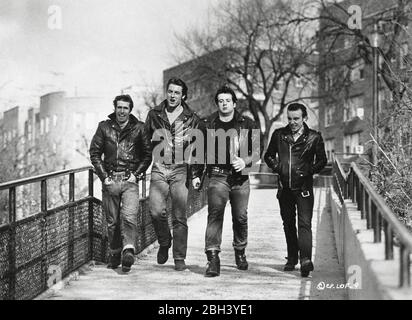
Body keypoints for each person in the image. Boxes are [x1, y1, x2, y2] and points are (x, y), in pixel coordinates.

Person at [196, 85, 261, 277]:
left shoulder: (248, 123)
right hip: (218, 176)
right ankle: (213, 258)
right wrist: (196, 176)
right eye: (221, 101)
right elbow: (198, 152)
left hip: (240, 178)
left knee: (240, 217)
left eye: (228, 101)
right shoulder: (207, 123)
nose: (224, 104)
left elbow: (257, 151)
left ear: (234, 103)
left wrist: (245, 161)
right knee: (215, 214)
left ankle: (240, 251)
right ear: (217, 104)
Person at [89, 94, 152, 272]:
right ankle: (115, 253)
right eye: (119, 107)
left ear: (130, 110)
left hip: (129, 180)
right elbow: (94, 152)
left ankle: (128, 250)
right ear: (114, 108)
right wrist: (104, 177)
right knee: (113, 222)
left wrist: (136, 174)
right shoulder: (104, 127)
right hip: (110, 180)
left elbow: (148, 155)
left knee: (129, 216)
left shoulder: (139, 128)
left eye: (125, 108)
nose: (122, 111)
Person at [264, 102, 327, 277]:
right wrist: (278, 168)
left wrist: (309, 171)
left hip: (304, 188)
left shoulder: (314, 137)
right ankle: (292, 258)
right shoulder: (279, 135)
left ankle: (306, 260)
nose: (292, 122)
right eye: (290, 118)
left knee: (304, 224)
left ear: (304, 118)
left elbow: (322, 160)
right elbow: (268, 156)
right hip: (284, 188)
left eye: (296, 119)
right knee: (288, 224)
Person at [145, 78, 201, 271]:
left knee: (179, 215)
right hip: (159, 167)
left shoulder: (191, 117)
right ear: (166, 92)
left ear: (183, 96)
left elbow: (197, 148)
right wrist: (139, 169)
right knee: (155, 210)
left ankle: (179, 257)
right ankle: (164, 241)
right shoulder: (154, 114)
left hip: (180, 168)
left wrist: (195, 174)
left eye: (177, 93)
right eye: (170, 91)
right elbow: (145, 143)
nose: (172, 95)